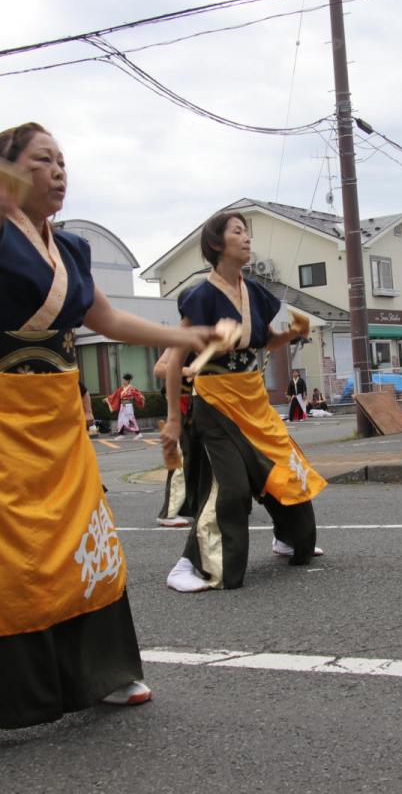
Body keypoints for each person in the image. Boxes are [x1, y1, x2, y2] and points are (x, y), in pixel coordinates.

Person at [0, 122, 213, 760]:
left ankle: (100, 674)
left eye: (62, 161)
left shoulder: (71, 249)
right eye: (42, 160)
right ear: (5, 171)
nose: (58, 171)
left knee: (82, 543)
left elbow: (103, 318)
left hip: (55, 416)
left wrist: (178, 338)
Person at [162, 211, 325, 593]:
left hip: (253, 400)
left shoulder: (255, 292)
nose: (247, 238)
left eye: (247, 231)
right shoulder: (200, 295)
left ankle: (288, 538)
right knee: (230, 490)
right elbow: (173, 362)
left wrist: (293, 330)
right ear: (217, 244)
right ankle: (191, 564)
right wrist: (172, 418)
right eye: (238, 231)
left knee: (286, 474)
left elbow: (267, 340)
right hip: (216, 405)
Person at [154, 349, 194, 528]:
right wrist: (186, 370)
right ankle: (169, 512)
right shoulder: (185, 338)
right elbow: (159, 369)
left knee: (202, 457)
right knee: (180, 457)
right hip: (182, 404)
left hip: (206, 402)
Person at [107, 372, 144, 439]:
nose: (123, 381)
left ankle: (138, 433)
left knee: (131, 419)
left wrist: (140, 397)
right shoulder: (121, 389)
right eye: (123, 380)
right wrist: (108, 399)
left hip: (128, 406)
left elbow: (138, 394)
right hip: (122, 406)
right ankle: (121, 434)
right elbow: (115, 395)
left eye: (124, 380)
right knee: (121, 419)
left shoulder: (132, 388)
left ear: (128, 381)